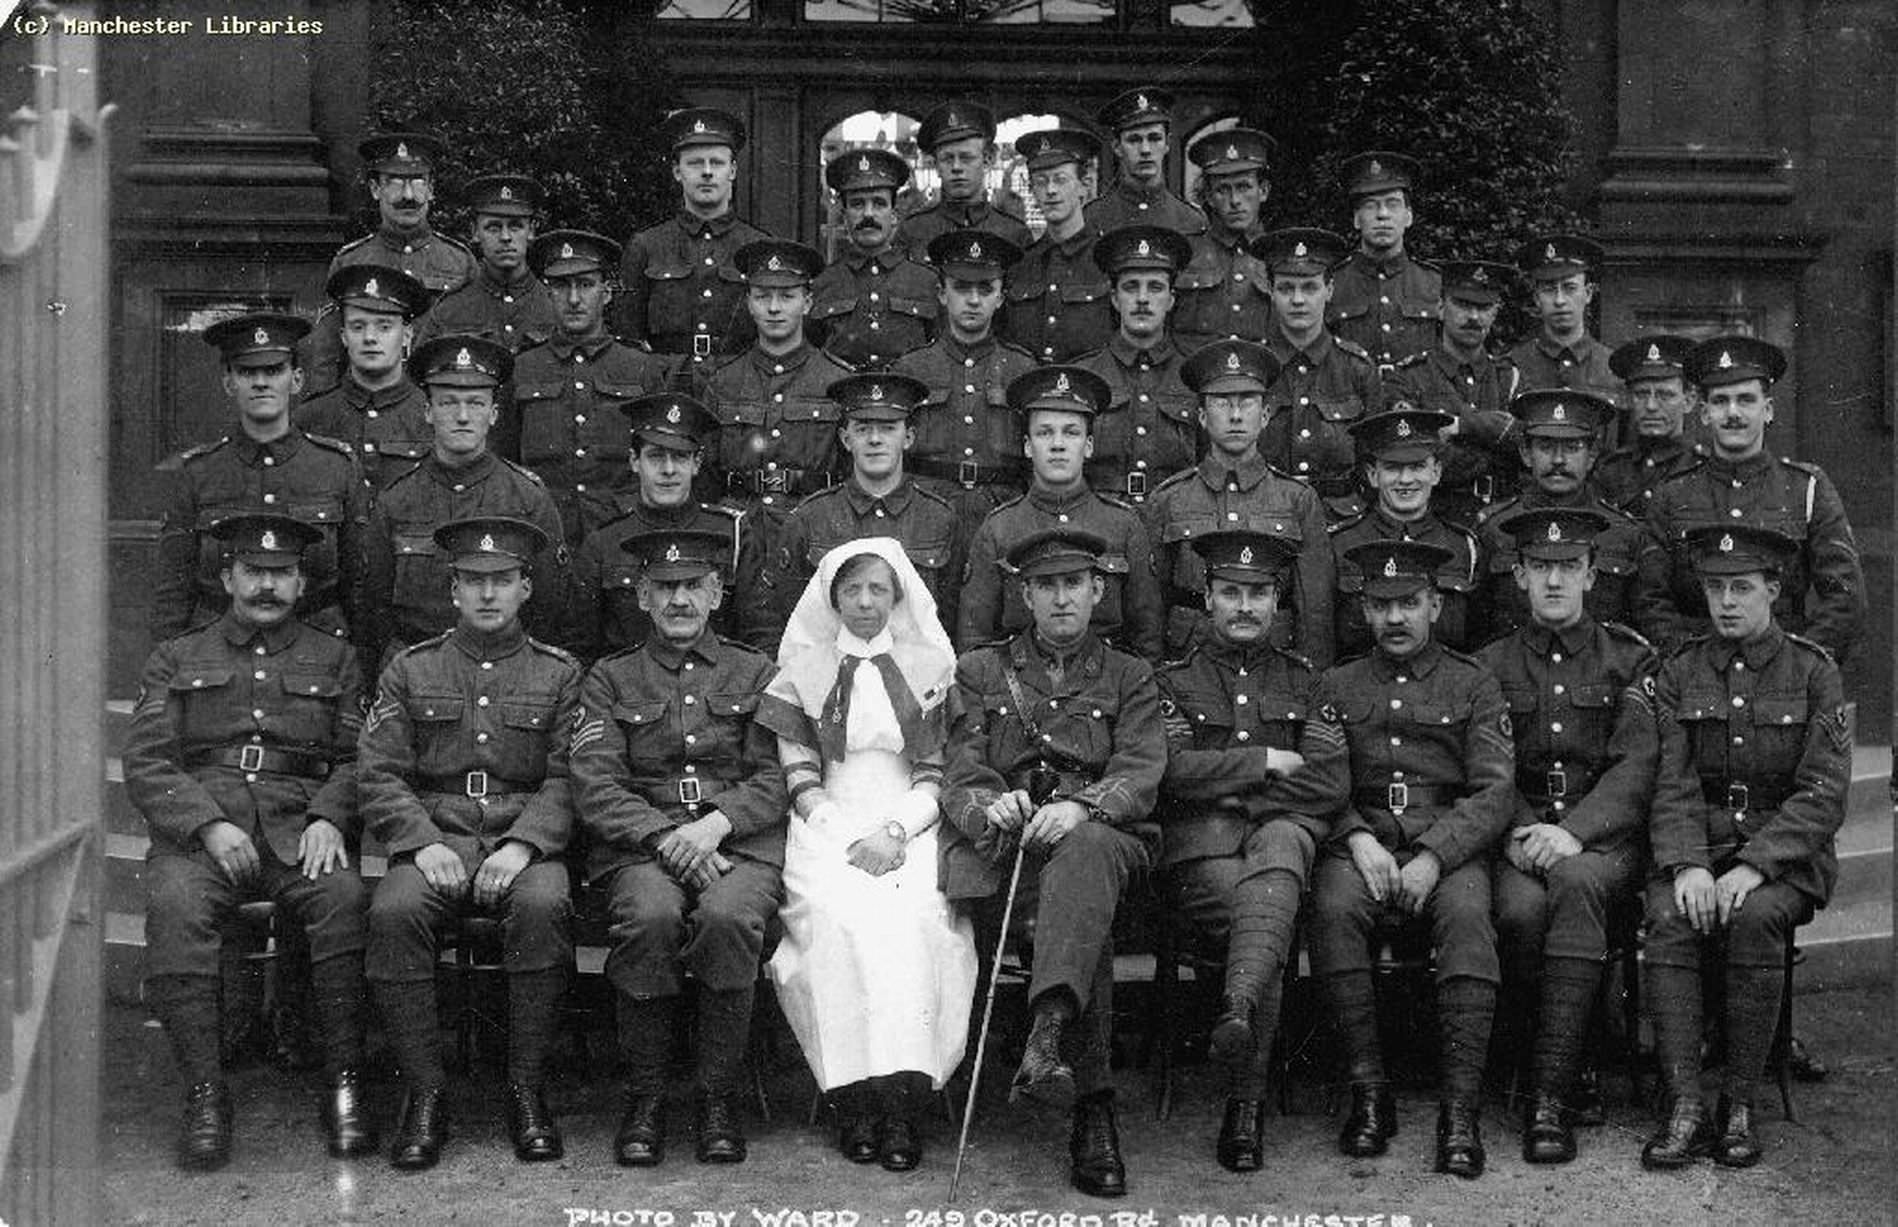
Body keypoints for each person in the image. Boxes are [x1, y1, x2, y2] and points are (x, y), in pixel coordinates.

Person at [125, 514, 373, 1170]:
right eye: (254, 572)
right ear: (227, 575)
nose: (268, 584)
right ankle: (206, 1094)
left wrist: (329, 816)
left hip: (299, 831)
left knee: (344, 896)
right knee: (175, 903)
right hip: (204, 838)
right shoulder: (177, 657)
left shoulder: (336, 657)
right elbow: (148, 761)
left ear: (300, 581)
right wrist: (207, 822)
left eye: (281, 573)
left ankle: (344, 1084)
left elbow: (358, 759)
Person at [941, 528, 1168, 1197]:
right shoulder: (981, 671)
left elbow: (1142, 768)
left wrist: (1086, 806)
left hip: (1107, 840)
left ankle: (1048, 1039)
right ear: (1026, 594)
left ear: (1098, 590)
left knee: (1087, 856)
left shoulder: (1132, 675)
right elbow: (961, 769)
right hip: (1014, 852)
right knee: (1080, 912)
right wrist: (997, 805)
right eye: (1047, 585)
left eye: (1074, 583)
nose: (1062, 598)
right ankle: (1091, 1110)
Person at [356, 516, 583, 1169]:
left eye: (502, 580)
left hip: (523, 837)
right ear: (452, 588)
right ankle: (424, 1093)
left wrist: (525, 845)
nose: (489, 594)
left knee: (543, 905)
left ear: (525, 588)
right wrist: (422, 841)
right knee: (394, 911)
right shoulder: (411, 667)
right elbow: (379, 771)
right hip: (437, 834)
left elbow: (571, 776)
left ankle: (526, 1088)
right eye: (474, 581)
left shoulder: (559, 674)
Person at [569, 528, 788, 1168]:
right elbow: (594, 781)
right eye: (664, 588)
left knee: (727, 918)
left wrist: (716, 824)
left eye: (693, 586)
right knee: (649, 917)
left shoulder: (759, 672)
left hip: (737, 845)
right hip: (644, 846)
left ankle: (718, 1099)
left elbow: (779, 775)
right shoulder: (608, 679)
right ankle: (647, 1098)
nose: (680, 600)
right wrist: (667, 835)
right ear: (641, 597)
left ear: (717, 593)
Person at [757, 538, 976, 1172]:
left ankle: (904, 1100)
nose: (864, 602)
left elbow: (935, 769)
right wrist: (835, 830)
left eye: (878, 589)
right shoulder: (802, 670)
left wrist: (895, 832)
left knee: (913, 923)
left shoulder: (929, 667)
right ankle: (852, 1099)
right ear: (831, 596)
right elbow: (799, 773)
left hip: (909, 819)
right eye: (851, 589)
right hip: (824, 826)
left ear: (897, 595)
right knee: (835, 920)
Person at [1638, 525, 1849, 1171]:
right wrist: (1688, 864)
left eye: (1742, 587)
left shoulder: (1814, 670)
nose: (1727, 601)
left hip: (1785, 857)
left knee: (1755, 919)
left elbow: (1822, 791)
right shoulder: (1677, 671)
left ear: (1774, 590)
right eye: (1714, 587)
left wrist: (1756, 864)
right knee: (1671, 917)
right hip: (1699, 848)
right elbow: (1669, 783)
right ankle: (1685, 1105)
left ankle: (1740, 1103)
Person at [1307, 539, 1513, 1179]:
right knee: (1335, 908)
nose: (1394, 619)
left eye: (1408, 604)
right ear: (1363, 611)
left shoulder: (1472, 681)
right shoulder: (1336, 685)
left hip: (1449, 842)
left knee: (1469, 917)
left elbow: (1495, 789)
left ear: (1435, 604)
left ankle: (1460, 1109)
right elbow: (1318, 782)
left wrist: (1432, 854)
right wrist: (1356, 836)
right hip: (1363, 835)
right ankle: (1370, 1094)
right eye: (1380, 605)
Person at [1154, 529, 1349, 1171]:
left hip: (1275, 846)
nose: (1244, 606)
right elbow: (1169, 771)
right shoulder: (1173, 683)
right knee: (1267, 906)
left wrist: (1240, 797)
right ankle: (1247, 1094)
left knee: (1284, 847)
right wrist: (1263, 762)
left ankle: (1243, 1086)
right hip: (1201, 859)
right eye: (1231, 592)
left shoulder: (1307, 682)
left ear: (1277, 602)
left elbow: (1331, 779)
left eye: (1258, 593)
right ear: (1206, 598)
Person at [1475, 507, 1659, 1164]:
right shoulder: (1489, 665)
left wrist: (1575, 832)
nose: (1555, 580)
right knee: (1521, 910)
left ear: (1590, 573)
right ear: (1520, 574)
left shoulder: (1630, 660)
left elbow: (1636, 766)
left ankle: (1551, 1092)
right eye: (1541, 567)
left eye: (1568, 567)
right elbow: (1486, 765)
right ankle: (1547, 1059)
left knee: (1578, 883)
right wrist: (1525, 828)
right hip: (1521, 839)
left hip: (1603, 842)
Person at [1634, 336, 1865, 661]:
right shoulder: (1672, 495)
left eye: (1745, 400)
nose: (1732, 413)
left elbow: (1845, 598)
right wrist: (1689, 665)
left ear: (1767, 409)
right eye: (1720, 401)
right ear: (1703, 413)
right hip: (1695, 682)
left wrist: (1797, 664)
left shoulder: (1806, 489)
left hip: (1786, 682)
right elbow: (1650, 599)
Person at [152, 312, 368, 644]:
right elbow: (172, 593)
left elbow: (360, 587)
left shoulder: (336, 467)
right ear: (228, 383)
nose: (261, 382)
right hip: (218, 658)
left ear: (296, 380)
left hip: (318, 657)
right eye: (247, 371)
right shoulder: (198, 473)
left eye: (273, 370)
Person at [362, 336, 568, 669]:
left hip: (508, 674)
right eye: (448, 403)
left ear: (494, 413)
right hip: (418, 675)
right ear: (428, 411)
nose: (462, 416)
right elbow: (373, 607)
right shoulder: (396, 501)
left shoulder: (528, 498)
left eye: (475, 403)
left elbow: (550, 607)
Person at [1143, 338, 1334, 664]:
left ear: (1265, 415)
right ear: (1201, 416)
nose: (1235, 415)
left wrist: (1309, 686)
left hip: (1275, 665)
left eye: (1247, 402)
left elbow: (1314, 610)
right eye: (1221, 403)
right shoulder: (1168, 499)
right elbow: (1149, 608)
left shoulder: (1297, 500)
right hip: (1189, 662)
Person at [956, 366, 1163, 659]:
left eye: (1071, 433)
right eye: (1044, 433)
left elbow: (1148, 637)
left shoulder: (1123, 526)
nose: (1057, 445)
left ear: (1088, 446)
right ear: (1028, 446)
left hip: (1106, 688)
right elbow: (974, 638)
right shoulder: (999, 529)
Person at [755, 373, 964, 651]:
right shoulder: (811, 518)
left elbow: (952, 623)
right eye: (863, 429)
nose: (875, 439)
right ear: (845, 438)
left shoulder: (939, 519)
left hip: (915, 683)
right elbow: (780, 620)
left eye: (888, 428)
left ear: (909, 437)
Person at [508, 229, 678, 544]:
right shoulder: (522, 369)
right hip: (543, 536)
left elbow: (663, 466)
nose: (574, 299)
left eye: (585, 285)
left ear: (607, 292)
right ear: (547, 293)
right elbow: (504, 462)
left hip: (623, 538)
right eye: (561, 286)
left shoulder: (640, 368)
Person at [563, 392, 756, 660]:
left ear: (696, 464)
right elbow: (580, 648)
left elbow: (758, 634)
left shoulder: (732, 533)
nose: (668, 470)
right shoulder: (605, 543)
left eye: (680, 457)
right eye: (655, 457)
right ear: (634, 461)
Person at [702, 238, 854, 548]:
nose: (774, 308)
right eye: (762, 296)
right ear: (748, 302)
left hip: (814, 533)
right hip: (739, 535)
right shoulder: (724, 383)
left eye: (787, 296)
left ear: (808, 302)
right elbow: (704, 476)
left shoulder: (837, 382)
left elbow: (851, 475)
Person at [309, 131, 475, 396]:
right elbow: (326, 356)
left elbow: (474, 343)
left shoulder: (460, 262)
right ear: (376, 189)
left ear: (431, 189)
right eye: (395, 182)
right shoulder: (351, 261)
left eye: (418, 182)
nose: (408, 195)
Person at [892, 229, 1039, 518]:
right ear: (942, 294)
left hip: (1003, 512)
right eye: (961, 287)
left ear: (1000, 298)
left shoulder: (1022, 370)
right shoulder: (911, 370)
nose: (973, 300)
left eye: (985, 289)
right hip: (925, 513)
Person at [1474, 389, 1643, 638]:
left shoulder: (1622, 533)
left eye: (1573, 447)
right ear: (1526, 453)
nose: (1558, 460)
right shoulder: (1495, 529)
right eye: (1545, 446)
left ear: (1592, 455)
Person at [615, 107, 770, 368]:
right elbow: (628, 338)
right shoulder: (647, 246)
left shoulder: (758, 246)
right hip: (666, 386)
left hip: (739, 390)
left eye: (717, 163)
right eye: (696, 163)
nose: (707, 172)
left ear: (732, 171)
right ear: (677, 172)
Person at [1329, 407, 1483, 657]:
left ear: (1436, 472)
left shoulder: (1464, 547)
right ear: (1372, 475)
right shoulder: (1340, 545)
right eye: (1392, 468)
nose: (1406, 479)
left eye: (1418, 466)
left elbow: (1477, 640)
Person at [1252, 227, 1382, 522]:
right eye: (1286, 288)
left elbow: (1374, 462)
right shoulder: (1253, 367)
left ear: (1330, 290)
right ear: (1271, 292)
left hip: (1341, 522)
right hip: (1264, 520)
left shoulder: (1357, 369)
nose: (1298, 300)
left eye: (1310, 287)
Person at [1385, 258, 1524, 527]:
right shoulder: (1409, 377)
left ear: (1495, 313)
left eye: (1483, 307)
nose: (1473, 317)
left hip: (1501, 520)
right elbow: (1417, 455)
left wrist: (1460, 426)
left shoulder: (1509, 376)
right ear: (1439, 308)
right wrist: (1494, 445)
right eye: (1462, 305)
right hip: (1434, 520)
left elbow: (1526, 444)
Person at [1075, 224, 1200, 505]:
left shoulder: (1193, 377)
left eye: (1155, 287)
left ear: (1170, 300)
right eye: (1131, 287)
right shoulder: (1086, 376)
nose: (1142, 299)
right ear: (1114, 299)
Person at [295, 264, 436, 492]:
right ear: (343, 336)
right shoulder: (310, 417)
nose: (370, 338)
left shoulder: (432, 417)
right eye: (358, 327)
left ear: (406, 336)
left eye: (384, 327)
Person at [811, 148, 938, 370]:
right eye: (858, 204)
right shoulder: (822, 283)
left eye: (879, 203)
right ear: (844, 216)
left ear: (894, 214)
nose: (868, 214)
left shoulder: (926, 282)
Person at [411, 173, 558, 354]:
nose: (505, 237)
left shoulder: (556, 307)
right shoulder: (450, 310)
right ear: (475, 232)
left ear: (531, 231)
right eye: (493, 227)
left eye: (515, 226)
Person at [1002, 127, 1114, 363]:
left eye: (1060, 180)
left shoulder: (1107, 260)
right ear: (1032, 191)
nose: (1051, 190)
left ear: (1084, 185)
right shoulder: (1020, 265)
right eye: (1041, 182)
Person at [1326, 151, 1441, 370]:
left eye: (1393, 204)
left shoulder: (1434, 283)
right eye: (1371, 205)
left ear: (1409, 216)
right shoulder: (1332, 284)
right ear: (1356, 219)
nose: (1382, 214)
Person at [1172, 127, 1275, 355]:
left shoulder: (1277, 256)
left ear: (1264, 191)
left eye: (1244, 187)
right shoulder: (1185, 253)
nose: (1235, 200)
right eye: (1222, 190)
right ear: (1208, 196)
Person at [1505, 235, 1621, 419]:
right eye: (1549, 290)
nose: (1559, 300)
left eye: (1570, 288)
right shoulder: (1513, 366)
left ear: (1588, 293)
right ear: (1536, 298)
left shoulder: (1612, 368)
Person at [899, 101, 1033, 257]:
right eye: (947, 159)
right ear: (936, 165)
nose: (956, 167)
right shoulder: (913, 231)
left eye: (966, 158)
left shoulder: (1014, 234)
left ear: (987, 160)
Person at [1595, 334, 1705, 516]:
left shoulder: (1705, 467)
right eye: (1642, 394)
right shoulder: (1611, 470)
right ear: (1628, 399)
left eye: (1665, 395)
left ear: (1689, 401)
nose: (1651, 406)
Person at [1083, 87, 1207, 237]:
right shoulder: (1092, 218)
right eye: (1134, 140)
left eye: (1154, 138)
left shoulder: (1191, 220)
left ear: (1167, 143)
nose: (1145, 150)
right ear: (1117, 147)